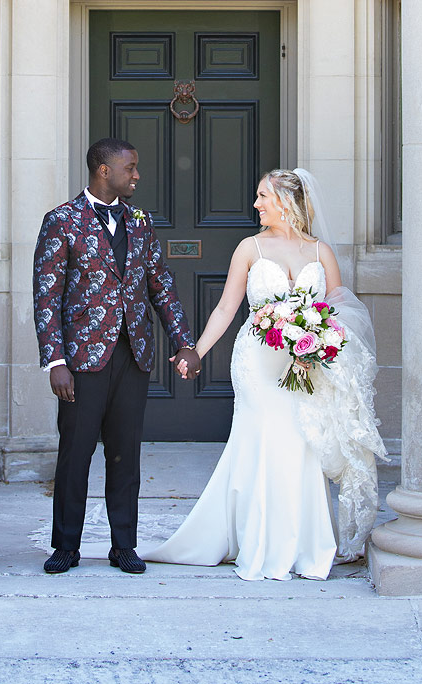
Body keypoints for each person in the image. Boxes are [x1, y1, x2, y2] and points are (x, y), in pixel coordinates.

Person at [141, 168, 387, 581]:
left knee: (300, 443)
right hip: (257, 362)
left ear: (286, 203)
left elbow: (337, 310)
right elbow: (225, 308)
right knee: (264, 439)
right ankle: (259, 541)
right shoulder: (249, 248)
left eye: (262, 197)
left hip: (305, 364)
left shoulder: (320, 252)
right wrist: (195, 351)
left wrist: (318, 344)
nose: (255, 205)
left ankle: (304, 544)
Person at [32, 138, 201, 575]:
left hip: (133, 356)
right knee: (76, 454)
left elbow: (160, 283)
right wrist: (56, 361)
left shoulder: (140, 222)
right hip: (81, 362)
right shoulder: (61, 221)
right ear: (103, 171)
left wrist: (185, 341)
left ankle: (124, 545)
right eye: (130, 167)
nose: (137, 175)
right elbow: (46, 297)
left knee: (125, 454)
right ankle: (66, 545)